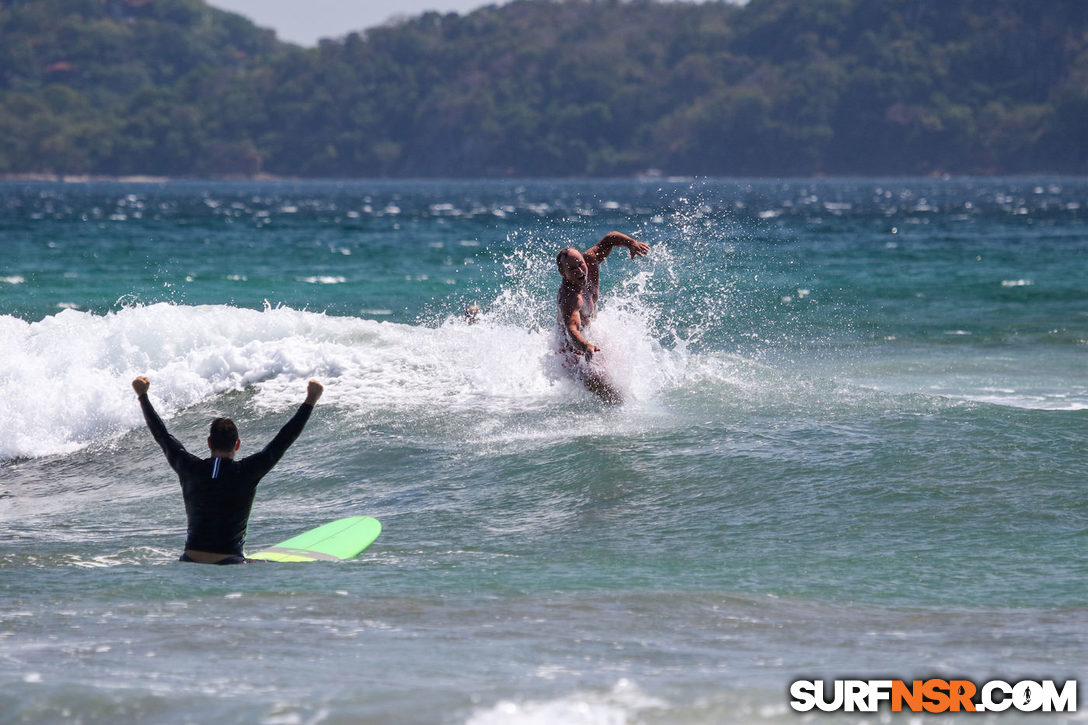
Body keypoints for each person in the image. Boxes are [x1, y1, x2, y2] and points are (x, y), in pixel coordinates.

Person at [132, 376, 324, 565]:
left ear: (209, 443)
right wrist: (310, 400)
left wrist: (142, 395)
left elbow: (162, 435)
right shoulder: (246, 472)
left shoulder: (188, 467)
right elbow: (282, 441)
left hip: (190, 559)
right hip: (230, 561)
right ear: (237, 444)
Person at [555, 231, 649, 403]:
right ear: (562, 272)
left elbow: (610, 238)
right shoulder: (570, 298)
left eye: (580, 264)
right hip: (570, 350)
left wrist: (631, 243)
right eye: (572, 269)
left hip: (589, 339)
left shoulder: (590, 261)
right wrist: (586, 346)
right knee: (607, 390)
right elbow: (572, 329)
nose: (580, 271)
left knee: (616, 377)